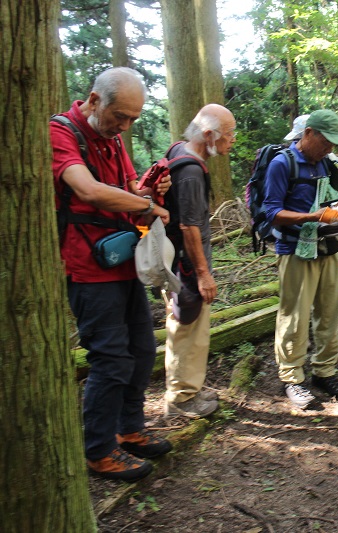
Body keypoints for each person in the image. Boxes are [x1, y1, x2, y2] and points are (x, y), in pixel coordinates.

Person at [50, 67, 173, 482]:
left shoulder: (112, 138)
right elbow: (87, 190)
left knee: (140, 350)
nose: (125, 126)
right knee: (111, 359)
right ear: (94, 99)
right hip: (86, 268)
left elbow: (127, 191)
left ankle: (130, 428)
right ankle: (99, 450)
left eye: (133, 119)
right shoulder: (62, 132)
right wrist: (146, 207)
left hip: (122, 262)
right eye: (120, 116)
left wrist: (150, 190)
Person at [262, 109, 338, 409]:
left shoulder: (327, 164)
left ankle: (324, 371)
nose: (330, 148)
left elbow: (330, 200)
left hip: (328, 249)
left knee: (330, 313)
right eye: (326, 141)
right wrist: (310, 216)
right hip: (295, 252)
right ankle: (292, 378)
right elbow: (272, 212)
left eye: (334, 143)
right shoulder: (283, 165)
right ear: (308, 134)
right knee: (295, 317)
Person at [162, 104, 236, 418]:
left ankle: (188, 386)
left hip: (180, 263)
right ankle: (180, 400)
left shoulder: (178, 151)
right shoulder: (191, 171)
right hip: (187, 267)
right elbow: (188, 226)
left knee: (189, 327)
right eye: (228, 134)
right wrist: (204, 274)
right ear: (208, 135)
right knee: (187, 328)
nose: (232, 141)